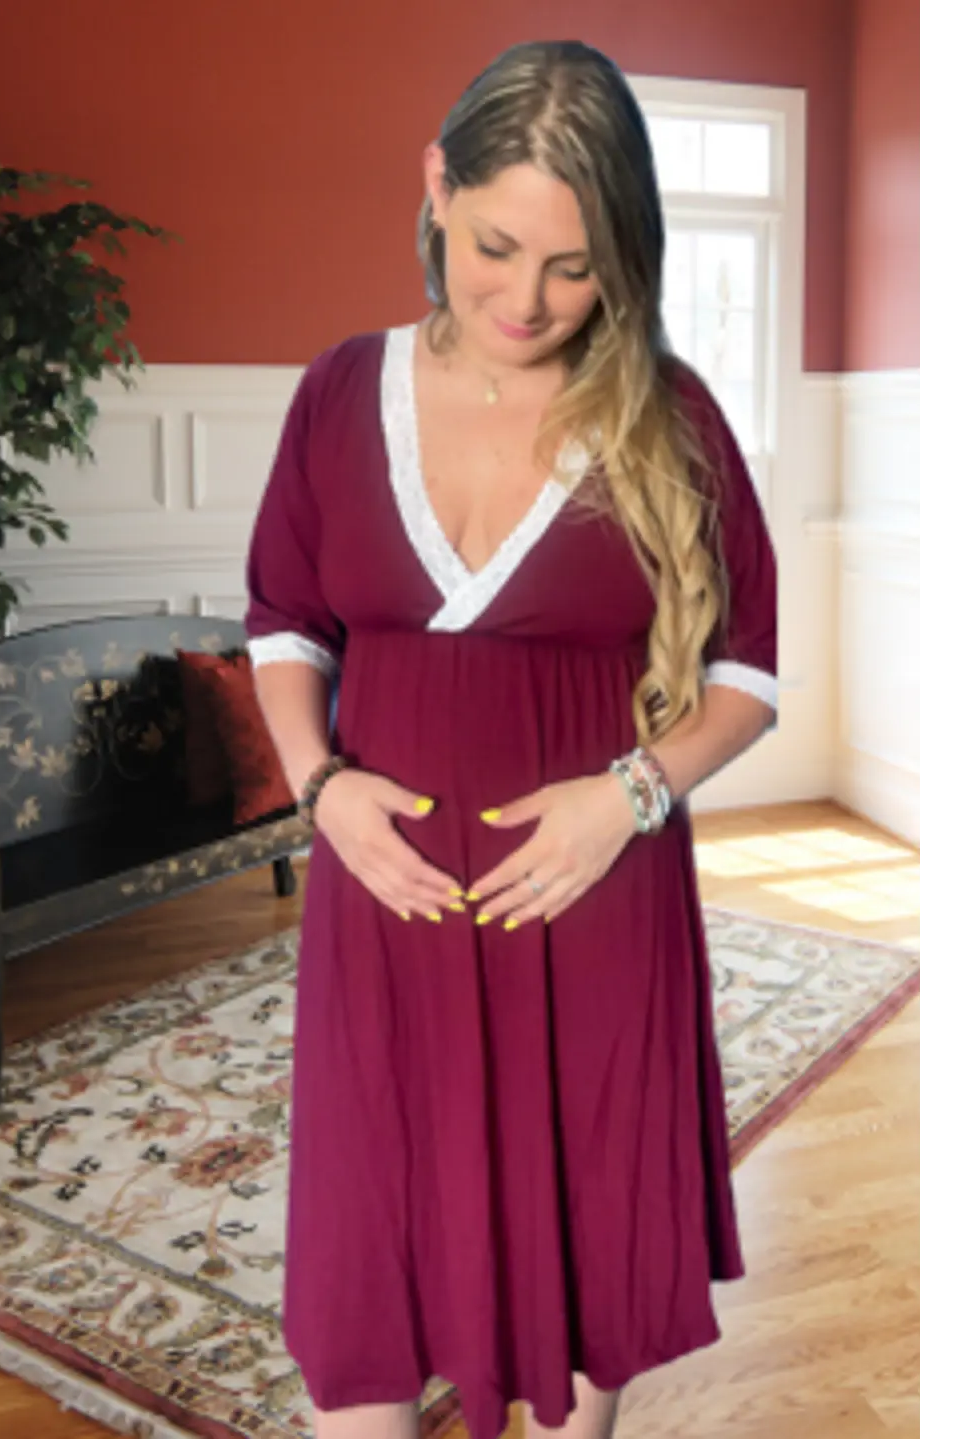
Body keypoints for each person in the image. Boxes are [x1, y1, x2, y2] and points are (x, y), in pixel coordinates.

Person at [244, 39, 777, 1439]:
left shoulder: (669, 414)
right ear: (437, 188)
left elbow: (746, 672)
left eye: (574, 266)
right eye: (494, 247)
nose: (527, 300)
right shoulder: (337, 393)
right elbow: (285, 621)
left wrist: (631, 796)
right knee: (364, 1276)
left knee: (583, 1255)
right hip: (385, 905)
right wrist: (320, 786)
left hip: (593, 903)